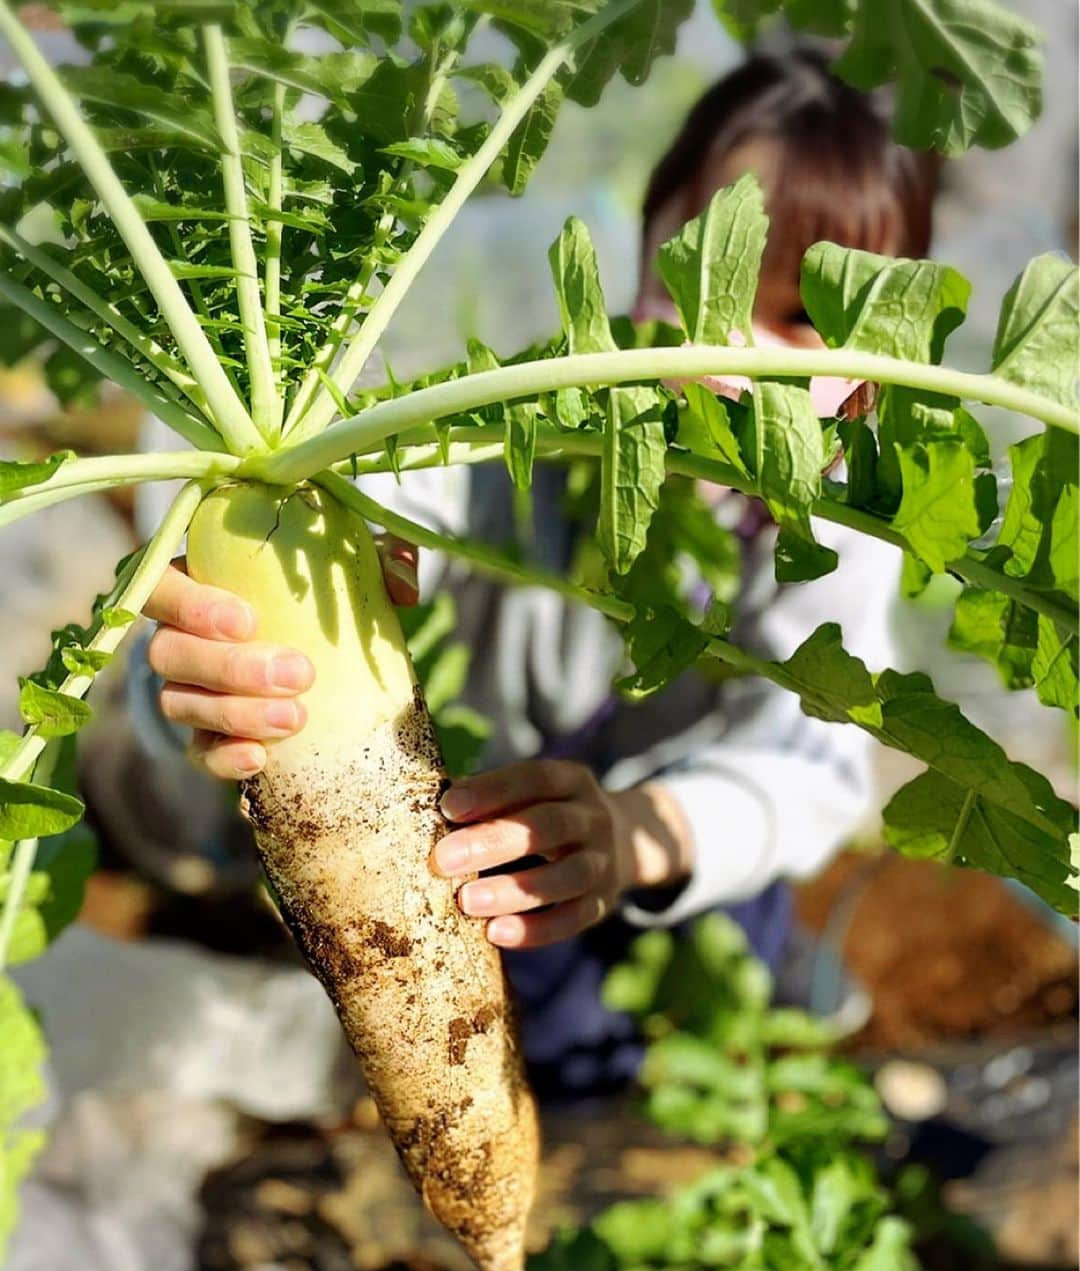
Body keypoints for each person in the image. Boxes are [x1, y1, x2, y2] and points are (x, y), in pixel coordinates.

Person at [134, 50, 938, 1099]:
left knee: (727, 1024)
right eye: (698, 283)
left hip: (685, 849)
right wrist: (301, 582)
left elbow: (815, 773)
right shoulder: (531, 433)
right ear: (646, 243)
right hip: (501, 847)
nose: (736, 354)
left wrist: (644, 835)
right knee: (530, 1047)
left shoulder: (842, 517)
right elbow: (411, 504)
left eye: (805, 324)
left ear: (887, 371)